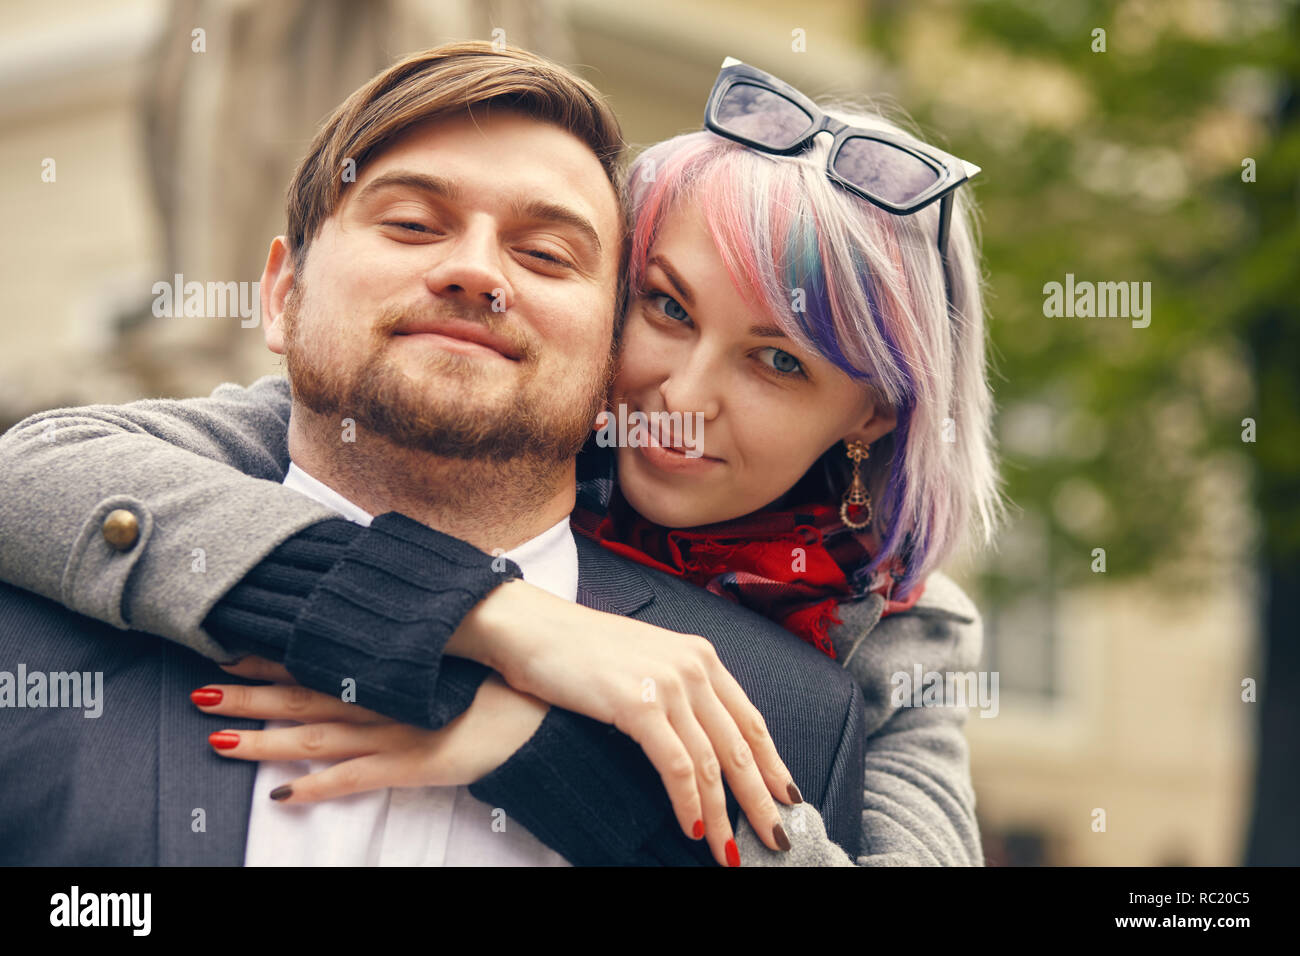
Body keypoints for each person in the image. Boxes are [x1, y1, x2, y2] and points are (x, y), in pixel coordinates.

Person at [0, 49, 1003, 866]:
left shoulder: (887, 641)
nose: (682, 396)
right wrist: (485, 612)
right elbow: (38, 471)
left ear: (872, 413)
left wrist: (549, 749)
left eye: (778, 359)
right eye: (666, 305)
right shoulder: (322, 431)